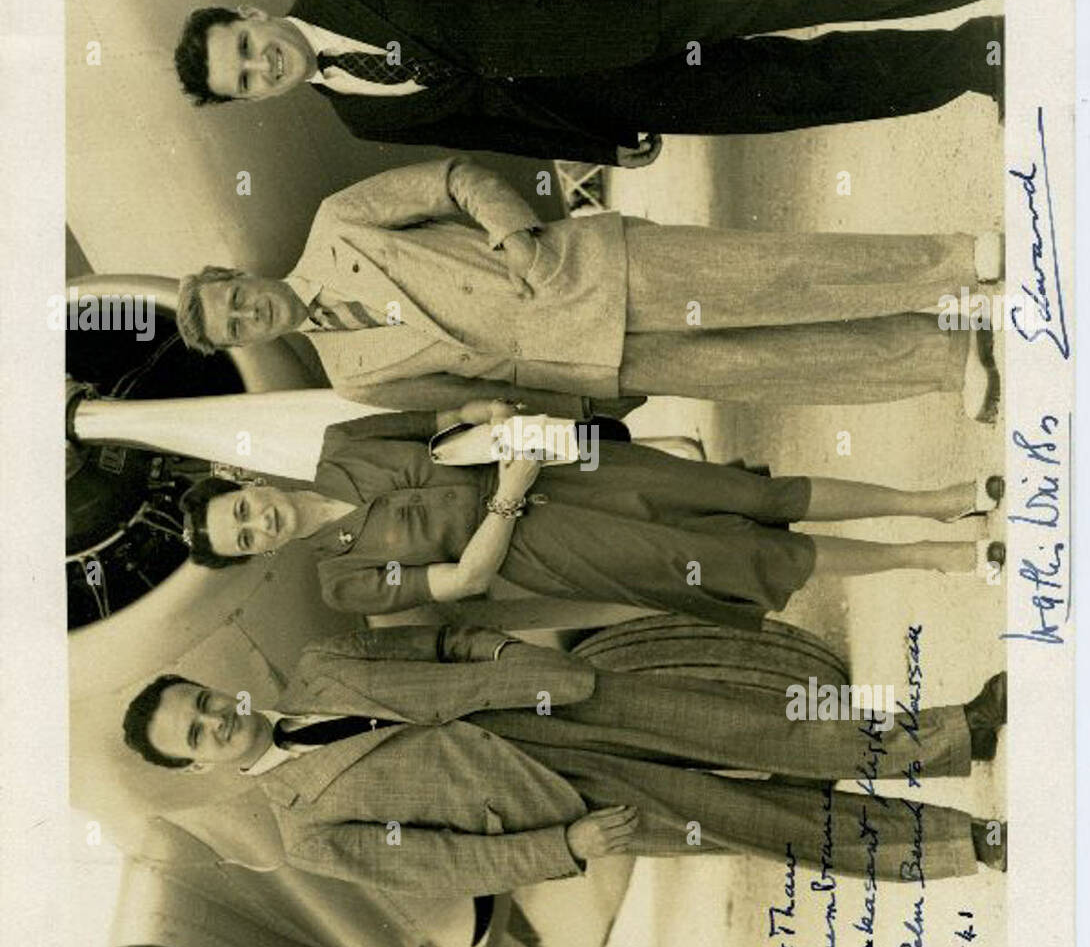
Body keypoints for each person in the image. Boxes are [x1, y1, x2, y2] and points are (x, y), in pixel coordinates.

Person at [120, 624, 1009, 893]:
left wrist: (507, 659)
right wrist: (568, 849)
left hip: (561, 701)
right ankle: (964, 846)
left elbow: (444, 644)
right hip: (562, 802)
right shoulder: (305, 832)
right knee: (766, 821)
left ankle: (956, 732)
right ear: (200, 769)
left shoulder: (316, 662)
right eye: (195, 736)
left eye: (201, 702)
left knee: (763, 726)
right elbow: (443, 866)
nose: (215, 721)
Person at [174, 155, 1002, 419]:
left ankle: (956, 263)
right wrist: (560, 407)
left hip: (585, 271)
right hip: (578, 363)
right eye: (238, 326)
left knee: (778, 273)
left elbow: (456, 178)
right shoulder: (351, 380)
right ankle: (939, 359)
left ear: (241, 276)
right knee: (766, 365)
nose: (251, 311)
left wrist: (514, 236)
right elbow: (462, 400)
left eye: (236, 296)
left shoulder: (338, 223)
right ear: (248, 343)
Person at [173, 0, 1004, 165]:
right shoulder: (362, 115)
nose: (262, 65)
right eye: (244, 81)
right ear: (253, 101)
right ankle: (980, 55)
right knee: (803, 90)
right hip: (624, 94)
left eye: (244, 48)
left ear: (250, 18)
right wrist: (602, 151)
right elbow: (499, 130)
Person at [177, 408, 1006, 623]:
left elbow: (450, 414)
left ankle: (935, 502)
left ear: (245, 481)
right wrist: (509, 489)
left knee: (749, 494)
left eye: (242, 510)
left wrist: (506, 428)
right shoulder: (341, 581)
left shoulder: (338, 445)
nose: (260, 524)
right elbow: (465, 580)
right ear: (254, 555)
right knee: (741, 559)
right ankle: (931, 560)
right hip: (545, 543)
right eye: (245, 540)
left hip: (571, 466)